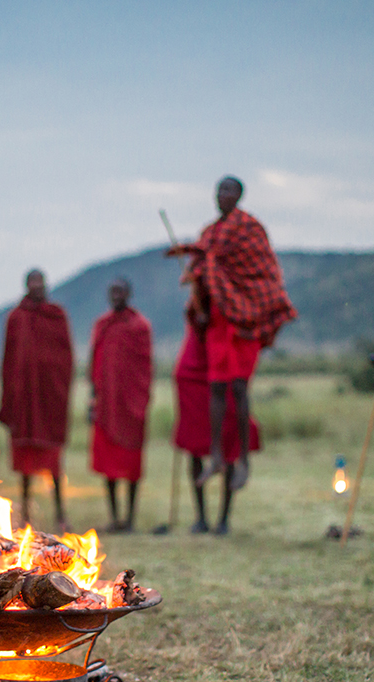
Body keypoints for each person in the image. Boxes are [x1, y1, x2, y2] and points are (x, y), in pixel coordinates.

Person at [165, 176, 297, 491]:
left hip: (244, 323)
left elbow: (262, 273)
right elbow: (204, 276)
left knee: (238, 389)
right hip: (218, 323)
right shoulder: (209, 234)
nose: (222, 196)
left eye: (228, 191)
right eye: (218, 190)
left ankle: (243, 462)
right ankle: (215, 454)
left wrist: (214, 276)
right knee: (215, 388)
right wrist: (199, 294)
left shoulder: (250, 229)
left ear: (239, 196)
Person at [0, 268, 74, 530]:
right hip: (24, 399)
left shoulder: (56, 316)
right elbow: (9, 360)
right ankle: (26, 515)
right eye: (32, 283)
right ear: (26, 286)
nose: (37, 287)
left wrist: (58, 386)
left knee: (53, 461)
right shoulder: (16, 318)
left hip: (49, 397)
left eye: (41, 283)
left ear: (46, 285)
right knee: (25, 463)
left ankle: (60, 512)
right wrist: (9, 398)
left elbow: (66, 358)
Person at [172, 317, 261, 536]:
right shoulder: (203, 294)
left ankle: (223, 519)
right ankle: (201, 518)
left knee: (228, 442)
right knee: (195, 447)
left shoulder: (234, 303)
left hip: (224, 368)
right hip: (196, 371)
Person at [87, 278, 152, 532]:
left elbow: (145, 367)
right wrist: (93, 400)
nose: (116, 296)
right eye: (112, 292)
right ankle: (115, 518)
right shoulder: (102, 325)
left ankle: (131, 518)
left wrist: (140, 399)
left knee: (132, 462)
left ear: (129, 293)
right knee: (109, 464)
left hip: (131, 405)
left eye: (120, 292)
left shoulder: (140, 326)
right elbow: (96, 365)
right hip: (106, 406)